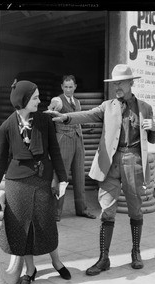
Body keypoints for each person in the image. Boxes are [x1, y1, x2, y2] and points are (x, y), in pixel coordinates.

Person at [45, 64, 155, 275]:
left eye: (120, 83)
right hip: (109, 164)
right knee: (106, 210)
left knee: (135, 209)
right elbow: (87, 115)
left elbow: (153, 138)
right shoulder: (107, 106)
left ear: (131, 83)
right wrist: (67, 118)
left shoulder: (145, 107)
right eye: (114, 83)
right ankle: (103, 258)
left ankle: (136, 252)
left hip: (134, 161)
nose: (117, 86)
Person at [0, 79, 71, 284]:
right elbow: (0, 161)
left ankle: (56, 261)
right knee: (21, 228)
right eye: (35, 98)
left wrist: (62, 178)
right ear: (23, 100)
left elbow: (55, 150)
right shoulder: (6, 126)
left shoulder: (44, 121)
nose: (39, 100)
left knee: (46, 223)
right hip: (17, 182)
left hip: (42, 178)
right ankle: (30, 269)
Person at [48, 75, 96, 221]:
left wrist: (85, 127)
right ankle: (56, 212)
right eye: (65, 87)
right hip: (63, 140)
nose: (68, 89)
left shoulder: (77, 102)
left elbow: (77, 119)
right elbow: (51, 109)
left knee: (79, 176)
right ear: (62, 87)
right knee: (61, 177)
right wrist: (52, 107)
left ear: (75, 87)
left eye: (71, 87)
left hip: (78, 140)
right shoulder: (58, 100)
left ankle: (82, 209)